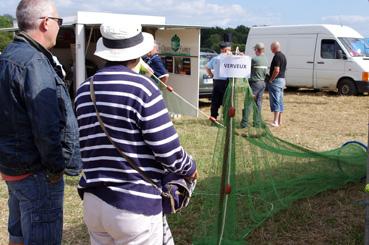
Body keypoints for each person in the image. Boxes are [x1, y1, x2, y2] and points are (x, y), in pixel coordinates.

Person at [75, 22, 197, 244]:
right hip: (132, 203)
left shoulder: (84, 89)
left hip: (94, 201)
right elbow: (168, 152)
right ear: (138, 52)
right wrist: (191, 168)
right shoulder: (143, 88)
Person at [0, 0, 81, 244]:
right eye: (59, 21)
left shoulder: (8, 55)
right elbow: (46, 126)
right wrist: (56, 169)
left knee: (19, 234)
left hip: (14, 169)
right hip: (36, 173)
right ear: (46, 23)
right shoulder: (34, 62)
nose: (59, 27)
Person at [241, 42, 268, 128]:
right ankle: (256, 123)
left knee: (248, 102)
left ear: (257, 50)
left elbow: (247, 65)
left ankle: (244, 123)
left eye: (255, 50)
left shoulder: (255, 59)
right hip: (262, 83)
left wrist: (243, 57)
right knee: (258, 103)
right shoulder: (265, 59)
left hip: (255, 84)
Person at [206, 41, 232, 120]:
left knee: (215, 100)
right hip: (226, 82)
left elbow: (207, 67)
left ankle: (213, 117)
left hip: (216, 82)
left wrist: (211, 74)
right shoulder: (230, 58)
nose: (231, 52)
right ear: (225, 50)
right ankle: (226, 118)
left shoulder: (215, 58)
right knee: (226, 100)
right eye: (230, 50)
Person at [267, 41, 287, 127]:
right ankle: (279, 121)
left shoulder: (277, 57)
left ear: (274, 48)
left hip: (276, 81)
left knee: (275, 100)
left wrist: (271, 79)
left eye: (271, 48)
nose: (271, 49)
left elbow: (277, 70)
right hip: (282, 80)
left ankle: (275, 122)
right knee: (280, 100)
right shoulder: (283, 56)